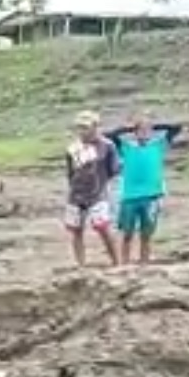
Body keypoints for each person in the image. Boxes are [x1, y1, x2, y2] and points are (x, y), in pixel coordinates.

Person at [106, 114, 182, 265]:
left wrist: (154, 125)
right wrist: (130, 128)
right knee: (127, 233)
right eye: (141, 130)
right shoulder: (127, 148)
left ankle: (144, 263)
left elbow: (176, 128)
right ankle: (125, 263)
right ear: (135, 132)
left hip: (151, 195)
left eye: (147, 130)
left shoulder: (158, 145)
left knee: (146, 233)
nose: (144, 133)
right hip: (130, 196)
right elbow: (110, 135)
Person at [63, 111, 120, 266]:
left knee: (102, 227)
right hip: (76, 194)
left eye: (86, 128)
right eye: (80, 128)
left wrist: (104, 185)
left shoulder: (107, 146)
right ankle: (80, 264)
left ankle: (116, 262)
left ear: (95, 127)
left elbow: (114, 170)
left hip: (98, 192)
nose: (82, 131)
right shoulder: (73, 148)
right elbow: (70, 172)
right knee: (76, 230)